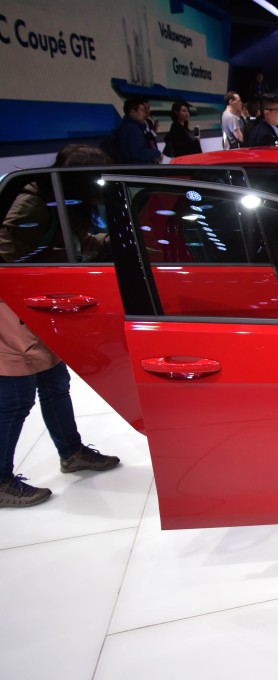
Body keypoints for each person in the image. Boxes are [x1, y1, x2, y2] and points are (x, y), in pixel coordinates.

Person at [0, 144, 122, 507]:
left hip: (36, 300)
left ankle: (71, 452)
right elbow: (7, 253)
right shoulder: (32, 203)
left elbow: (69, 241)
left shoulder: (61, 199)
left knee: (55, 380)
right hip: (10, 301)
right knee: (16, 394)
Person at [112, 96, 162, 164]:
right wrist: (156, 153)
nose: (145, 113)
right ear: (132, 112)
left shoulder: (128, 126)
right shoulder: (132, 129)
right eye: (142, 110)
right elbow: (138, 153)